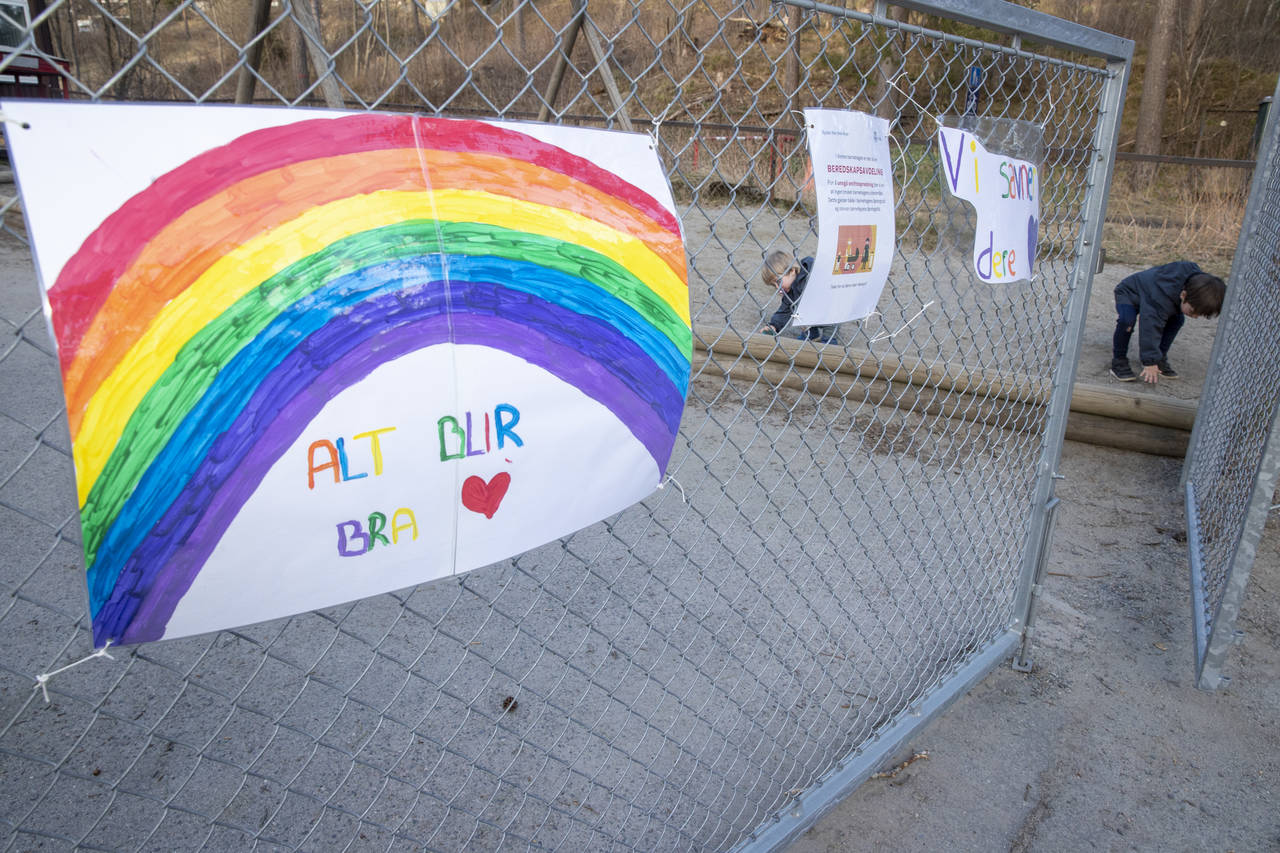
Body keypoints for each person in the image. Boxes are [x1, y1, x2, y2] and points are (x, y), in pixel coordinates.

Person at [1109, 261, 1225, 383]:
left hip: (1156, 296)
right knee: (1127, 320)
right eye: (1193, 311)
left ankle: (1160, 357)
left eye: (1200, 314)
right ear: (1183, 295)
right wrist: (1150, 361)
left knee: (1177, 320)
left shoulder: (1194, 282)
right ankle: (1119, 361)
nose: (1195, 317)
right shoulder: (1161, 299)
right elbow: (1149, 327)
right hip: (1130, 293)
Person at [759, 251, 839, 344]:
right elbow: (784, 310)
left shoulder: (809, 277)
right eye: (773, 285)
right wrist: (774, 325)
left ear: (792, 271)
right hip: (813, 311)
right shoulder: (789, 291)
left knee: (829, 329)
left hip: (830, 311)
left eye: (778, 281)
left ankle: (829, 339)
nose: (777, 287)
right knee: (795, 309)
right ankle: (811, 333)